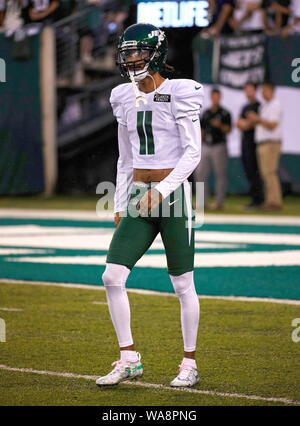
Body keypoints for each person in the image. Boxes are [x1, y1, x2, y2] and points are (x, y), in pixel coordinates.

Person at [95, 23, 203, 388]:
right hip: (141, 195)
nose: (131, 59)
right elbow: (125, 158)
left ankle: (189, 362)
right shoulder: (123, 96)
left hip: (172, 196)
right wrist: (122, 201)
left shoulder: (179, 92)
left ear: (155, 54)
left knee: (182, 282)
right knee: (112, 276)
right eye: (126, 53)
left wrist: (166, 188)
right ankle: (128, 358)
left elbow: (193, 152)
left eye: (137, 52)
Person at [193, 87, 231, 210]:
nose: (215, 99)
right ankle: (201, 202)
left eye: (217, 96)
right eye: (213, 96)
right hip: (206, 146)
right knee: (200, 173)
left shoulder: (225, 113)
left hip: (219, 145)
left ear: (220, 97)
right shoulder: (206, 113)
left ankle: (219, 202)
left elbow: (229, 129)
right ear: (211, 97)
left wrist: (220, 125)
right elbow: (202, 130)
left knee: (220, 174)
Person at [247, 81, 282, 210]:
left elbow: (273, 125)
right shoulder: (265, 106)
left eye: (264, 90)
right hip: (262, 143)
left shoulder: (275, 105)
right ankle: (269, 201)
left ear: (271, 90)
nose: (262, 93)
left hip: (271, 143)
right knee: (265, 173)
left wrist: (257, 119)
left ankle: (275, 202)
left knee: (270, 172)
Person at [237, 82, 264, 209]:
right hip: (245, 142)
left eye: (250, 90)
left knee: (255, 171)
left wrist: (248, 122)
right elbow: (238, 123)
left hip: (255, 143)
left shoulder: (259, 106)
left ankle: (258, 200)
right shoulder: (245, 107)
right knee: (248, 171)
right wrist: (248, 122)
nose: (248, 92)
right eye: (246, 90)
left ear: (255, 91)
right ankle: (254, 199)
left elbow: (254, 123)